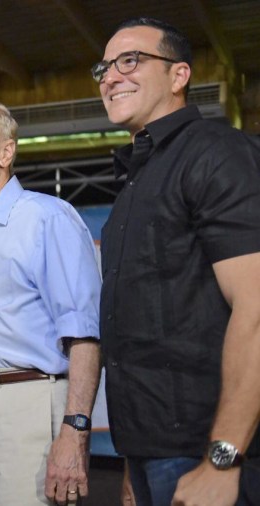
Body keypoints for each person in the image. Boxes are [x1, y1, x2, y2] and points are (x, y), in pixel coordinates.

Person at [95, 17, 260, 506]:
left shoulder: (217, 153)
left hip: (210, 453)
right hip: (151, 453)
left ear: (179, 75)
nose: (110, 76)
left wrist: (223, 459)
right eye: (103, 67)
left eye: (130, 60)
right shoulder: (134, 182)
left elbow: (256, 309)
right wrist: (133, 461)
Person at [0, 98, 101, 506]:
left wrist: (75, 428)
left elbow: (84, 335)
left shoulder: (46, 218)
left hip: (28, 406)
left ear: (6, 152)